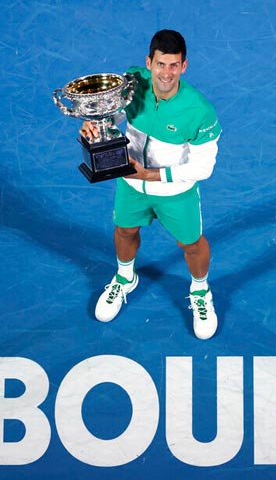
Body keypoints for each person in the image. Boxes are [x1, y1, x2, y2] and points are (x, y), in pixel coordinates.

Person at [79, 29, 222, 340]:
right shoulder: (133, 82)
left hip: (175, 192)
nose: (166, 73)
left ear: (184, 66)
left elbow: (203, 167)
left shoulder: (200, 111)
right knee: (125, 231)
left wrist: (152, 176)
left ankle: (200, 292)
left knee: (191, 244)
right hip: (131, 184)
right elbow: (115, 115)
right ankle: (125, 276)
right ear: (149, 62)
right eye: (160, 65)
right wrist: (96, 123)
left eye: (174, 65)